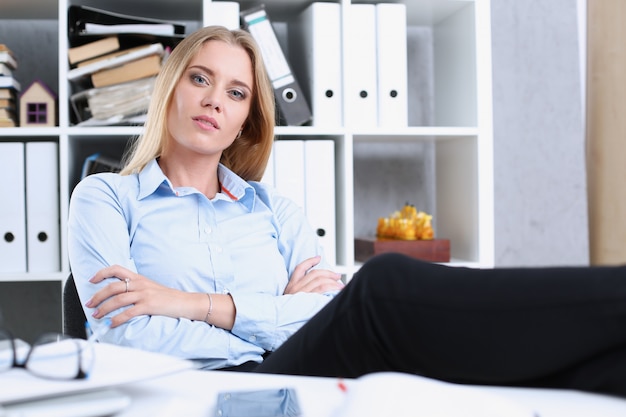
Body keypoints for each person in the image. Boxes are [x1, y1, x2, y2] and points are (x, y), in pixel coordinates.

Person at [68, 26, 626, 397]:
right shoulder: (105, 199)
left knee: (583, 373)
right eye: (200, 79)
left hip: (300, 376)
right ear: (171, 90)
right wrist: (271, 316)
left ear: (248, 119)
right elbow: (126, 338)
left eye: (238, 93)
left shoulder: (276, 213)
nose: (216, 99)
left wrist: (186, 304)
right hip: (191, 391)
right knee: (380, 290)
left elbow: (318, 316)